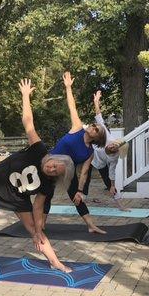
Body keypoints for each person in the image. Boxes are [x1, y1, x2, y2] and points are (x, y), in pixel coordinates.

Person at [0, 79, 74, 273]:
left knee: (35, 229)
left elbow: (38, 206)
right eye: (53, 165)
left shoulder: (47, 184)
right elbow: (28, 122)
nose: (51, 169)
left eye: (55, 172)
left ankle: (55, 261)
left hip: (17, 197)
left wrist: (37, 231)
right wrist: (25, 96)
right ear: (53, 158)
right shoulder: (39, 150)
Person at [42, 72, 108, 233]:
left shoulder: (89, 152)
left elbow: (84, 173)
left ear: (97, 137)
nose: (93, 126)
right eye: (94, 125)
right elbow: (72, 106)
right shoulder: (78, 128)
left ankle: (91, 225)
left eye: (96, 129)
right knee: (46, 194)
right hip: (50, 163)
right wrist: (68, 87)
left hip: (67, 172)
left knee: (77, 198)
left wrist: (79, 191)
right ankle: (41, 223)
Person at [82, 90, 130, 211]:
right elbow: (99, 119)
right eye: (113, 145)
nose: (112, 146)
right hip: (89, 154)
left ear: (116, 151)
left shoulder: (114, 158)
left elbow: (112, 173)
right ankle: (81, 199)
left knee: (109, 184)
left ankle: (121, 206)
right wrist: (96, 102)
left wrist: (112, 185)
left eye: (114, 148)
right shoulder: (108, 137)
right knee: (85, 177)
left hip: (101, 163)